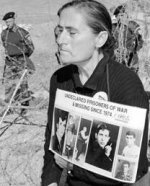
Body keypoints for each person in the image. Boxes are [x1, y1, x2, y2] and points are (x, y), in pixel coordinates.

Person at [41, 0, 149, 186]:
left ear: (100, 39)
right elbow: (53, 140)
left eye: (72, 32)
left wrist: (73, 166)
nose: (60, 40)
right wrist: (50, 182)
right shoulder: (60, 79)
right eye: (59, 31)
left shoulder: (125, 83)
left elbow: (132, 169)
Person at [1, 12, 35, 115]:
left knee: (23, 85)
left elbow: (31, 47)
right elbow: (5, 46)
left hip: (21, 61)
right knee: (8, 85)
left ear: (14, 20)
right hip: (10, 62)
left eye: (9, 21)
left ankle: (24, 107)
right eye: (6, 22)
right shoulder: (4, 34)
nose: (8, 24)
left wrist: (23, 57)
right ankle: (8, 108)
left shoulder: (22, 32)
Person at [112, 4, 143, 73]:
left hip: (131, 62)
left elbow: (140, 43)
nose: (121, 18)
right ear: (116, 17)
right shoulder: (112, 28)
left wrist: (129, 50)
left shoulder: (132, 26)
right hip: (115, 62)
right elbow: (107, 44)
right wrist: (114, 50)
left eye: (124, 15)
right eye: (120, 15)